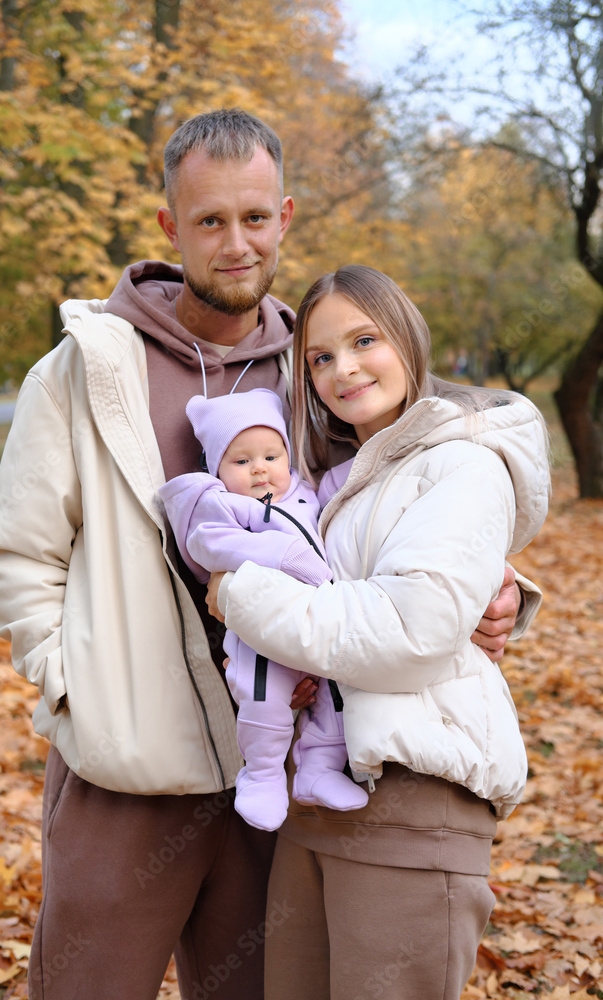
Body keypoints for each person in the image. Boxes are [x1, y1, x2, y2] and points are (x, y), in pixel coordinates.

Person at [0, 110, 536, 1000]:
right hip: (127, 771)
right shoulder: (85, 370)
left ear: (283, 214)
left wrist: (500, 588)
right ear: (170, 227)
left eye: (254, 219)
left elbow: (388, 508)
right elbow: (15, 554)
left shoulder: (314, 372)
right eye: (208, 221)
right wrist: (74, 686)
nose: (235, 244)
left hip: (280, 774)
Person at [206, 264, 551, 1000]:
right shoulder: (341, 476)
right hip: (317, 804)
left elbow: (408, 629)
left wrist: (239, 594)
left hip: (413, 801)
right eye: (320, 358)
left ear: (407, 337)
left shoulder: (460, 462)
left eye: (364, 340)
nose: (344, 368)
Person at [159, 387, 368, 832]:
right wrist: (281, 552)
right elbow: (208, 544)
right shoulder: (223, 506)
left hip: (321, 622)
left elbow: (360, 477)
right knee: (266, 700)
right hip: (261, 636)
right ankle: (263, 775)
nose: (260, 469)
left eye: (272, 456)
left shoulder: (307, 491)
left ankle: (318, 770)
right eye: (241, 461)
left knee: (336, 698)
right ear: (215, 468)